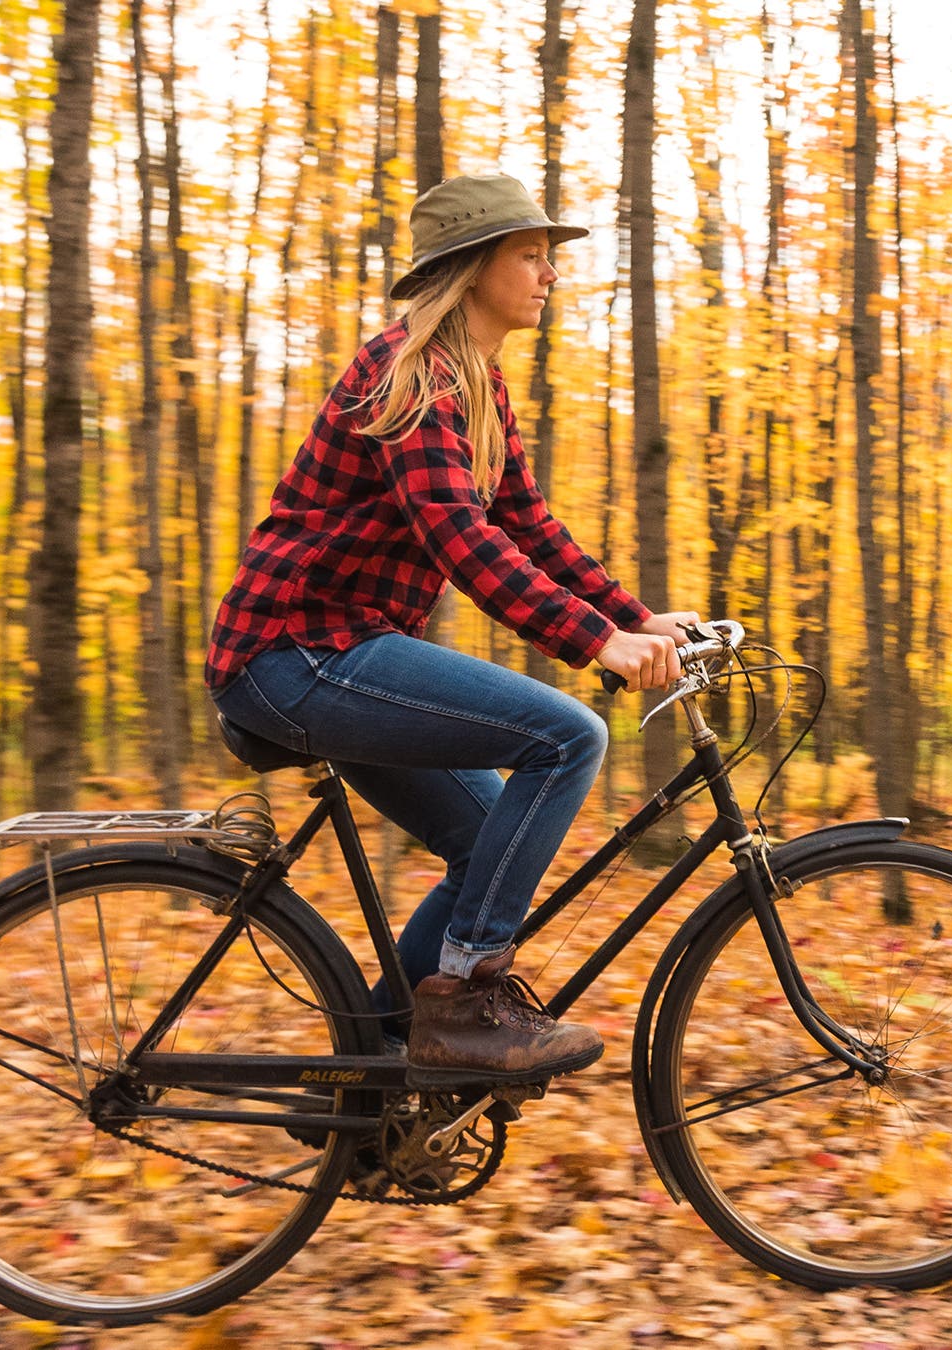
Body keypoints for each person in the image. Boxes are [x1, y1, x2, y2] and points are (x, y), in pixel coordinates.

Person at [204, 172, 695, 1083]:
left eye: (550, 256)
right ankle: (466, 1002)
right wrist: (595, 643)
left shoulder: (476, 385)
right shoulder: (409, 373)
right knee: (567, 735)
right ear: (473, 268)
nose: (550, 273)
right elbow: (461, 540)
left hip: (347, 651)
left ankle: (382, 1063)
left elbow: (525, 526)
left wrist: (632, 617)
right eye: (531, 254)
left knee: (485, 842)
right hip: (294, 652)